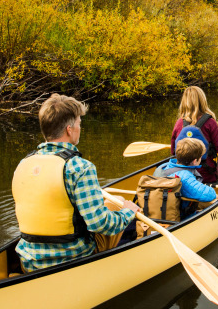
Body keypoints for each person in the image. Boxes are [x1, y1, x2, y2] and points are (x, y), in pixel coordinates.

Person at [12, 94, 140, 272]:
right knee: (121, 210)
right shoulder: (80, 167)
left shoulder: (23, 164)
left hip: (28, 261)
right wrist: (128, 212)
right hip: (72, 258)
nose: (81, 128)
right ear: (69, 129)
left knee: (110, 202)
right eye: (80, 123)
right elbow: (99, 224)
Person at [153, 138, 217, 218]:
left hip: (159, 210)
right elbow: (209, 195)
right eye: (200, 157)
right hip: (180, 216)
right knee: (216, 199)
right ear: (195, 161)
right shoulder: (185, 176)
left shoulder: (163, 166)